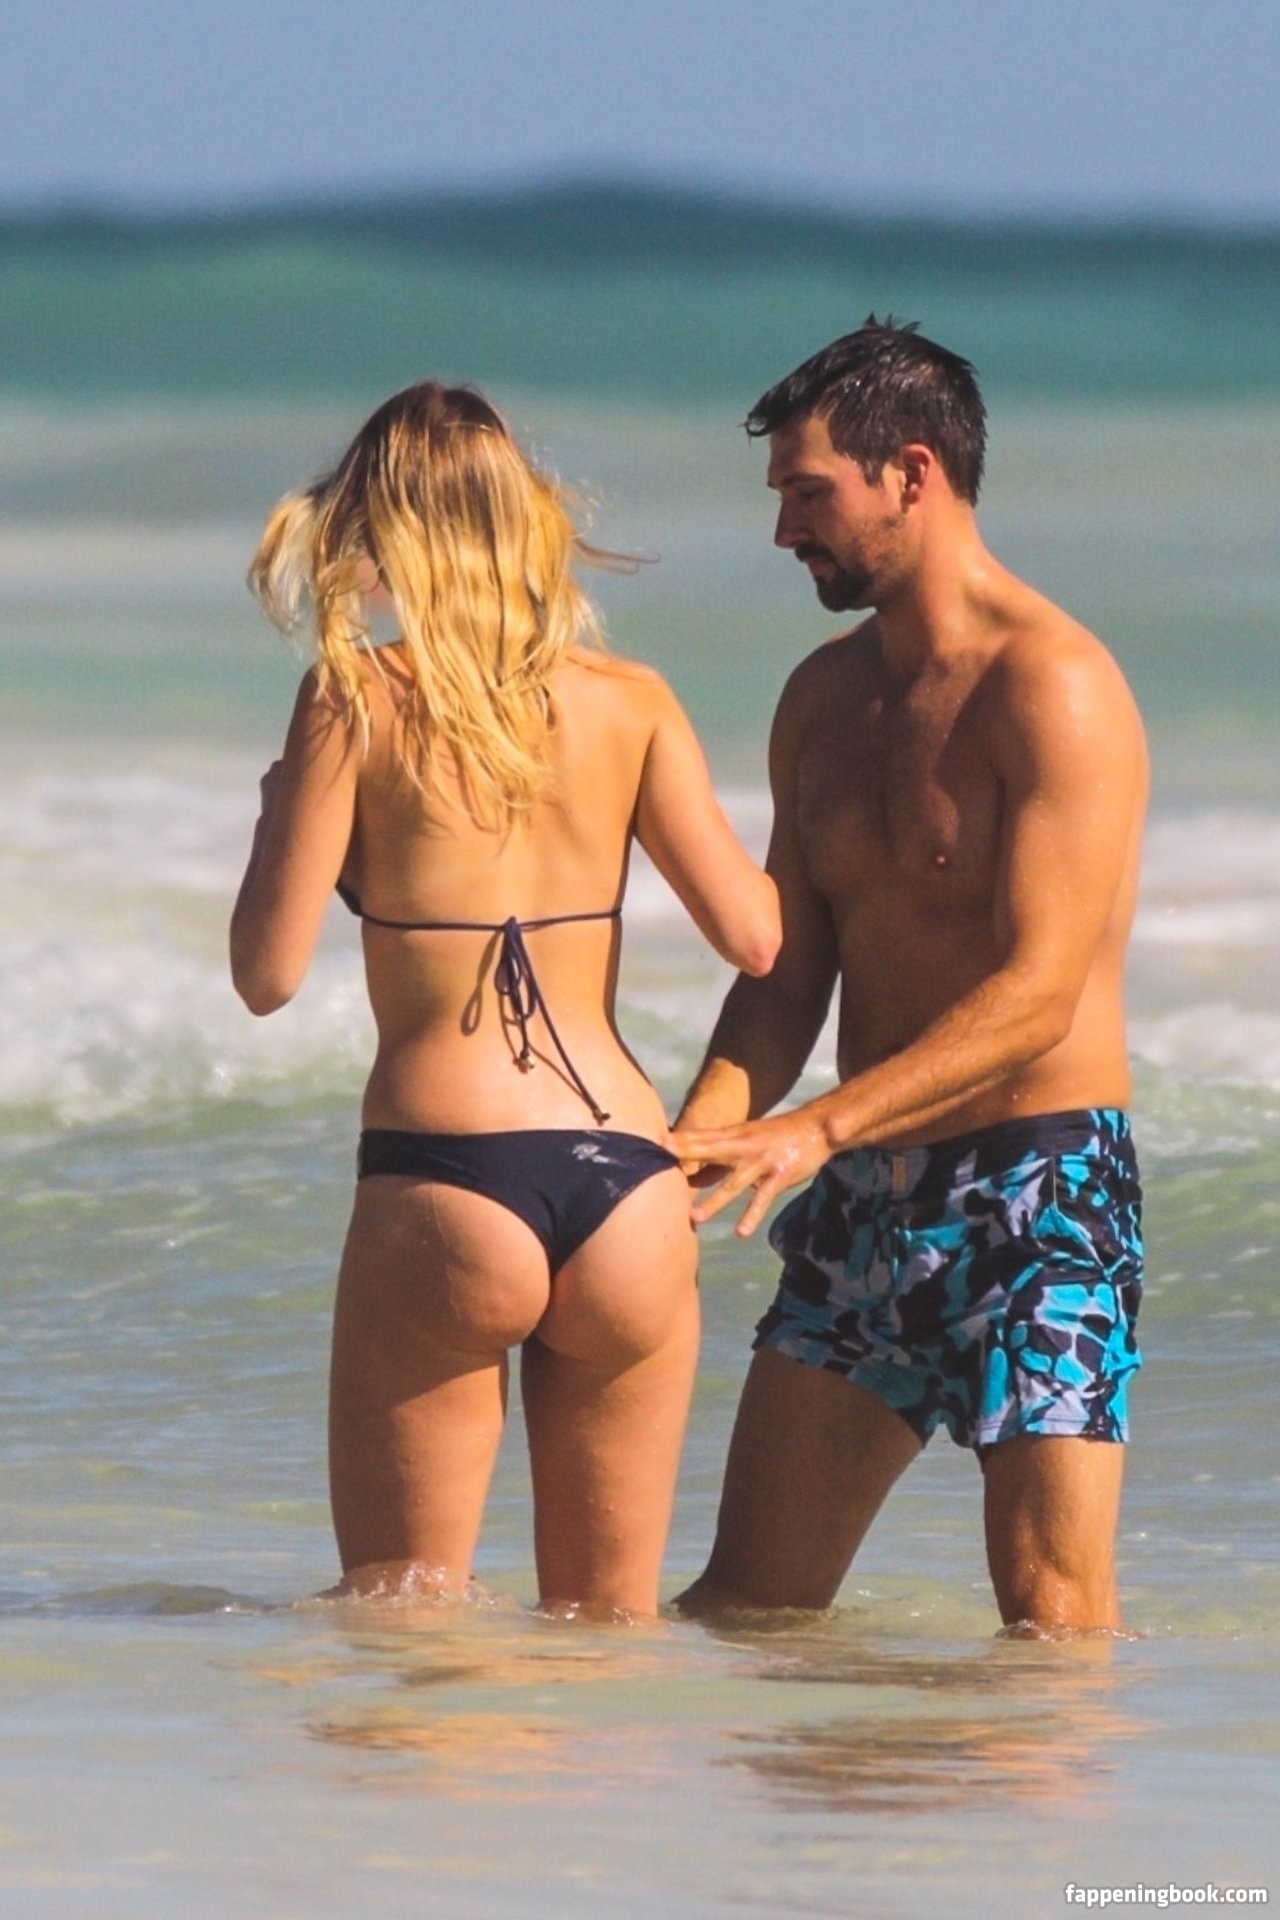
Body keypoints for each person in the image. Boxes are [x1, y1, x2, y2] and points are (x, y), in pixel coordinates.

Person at [229, 382, 780, 1618]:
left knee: (406, 1622)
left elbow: (265, 977)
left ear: (378, 528)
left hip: (448, 1176)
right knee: (610, 1632)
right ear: (526, 518)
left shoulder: (353, 695)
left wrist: (277, 821)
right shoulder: (633, 700)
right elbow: (754, 936)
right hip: (626, 1181)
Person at [672, 318, 1147, 1633]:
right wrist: (693, 1146)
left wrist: (811, 1130)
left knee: (1050, 1627)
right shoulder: (822, 702)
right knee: (744, 1614)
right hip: (868, 1201)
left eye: (808, 493)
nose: (785, 531)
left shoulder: (1052, 685)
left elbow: (1040, 992)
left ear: (912, 474)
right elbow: (784, 980)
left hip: (1040, 1198)